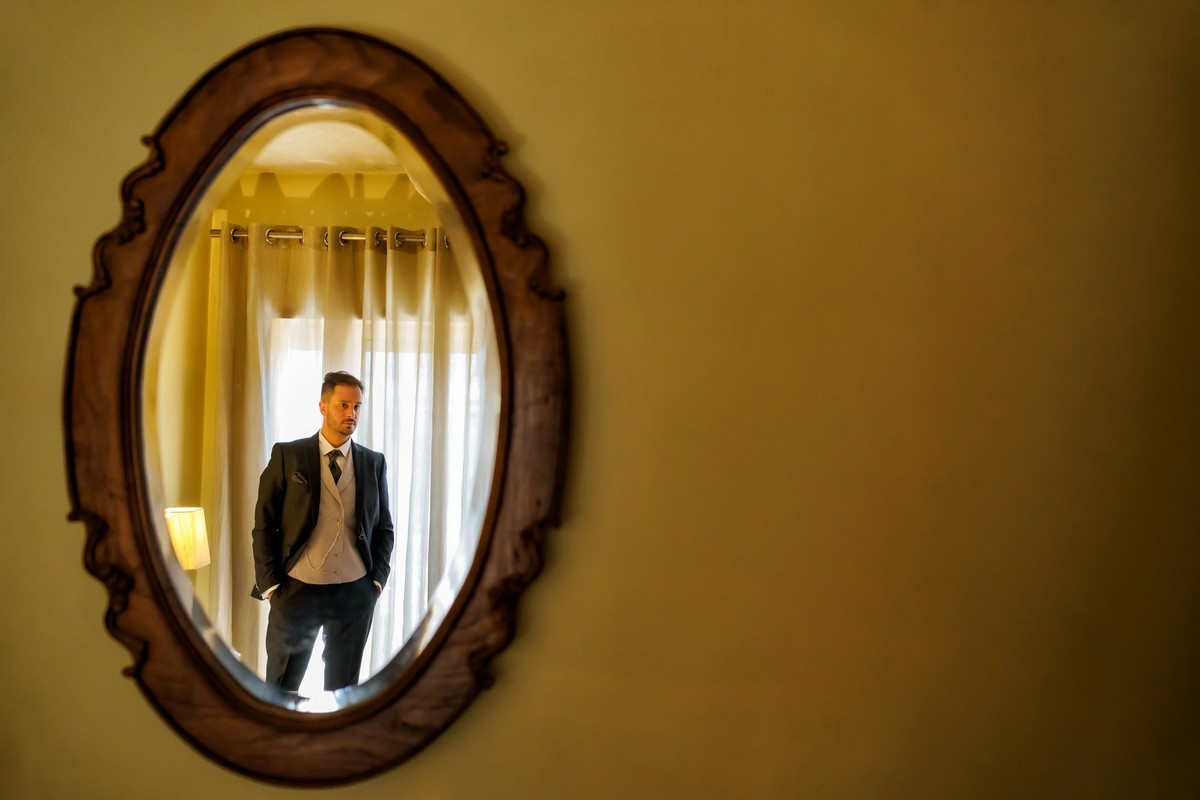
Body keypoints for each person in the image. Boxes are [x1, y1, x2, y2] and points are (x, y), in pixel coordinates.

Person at [251, 371, 395, 692]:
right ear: (323, 406)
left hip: (355, 592)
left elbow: (384, 527)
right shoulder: (288, 455)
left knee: (343, 691)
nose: (351, 413)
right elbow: (264, 523)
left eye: (357, 406)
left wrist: (376, 582)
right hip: (296, 590)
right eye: (343, 405)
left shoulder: (373, 462)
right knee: (281, 687)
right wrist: (271, 585)